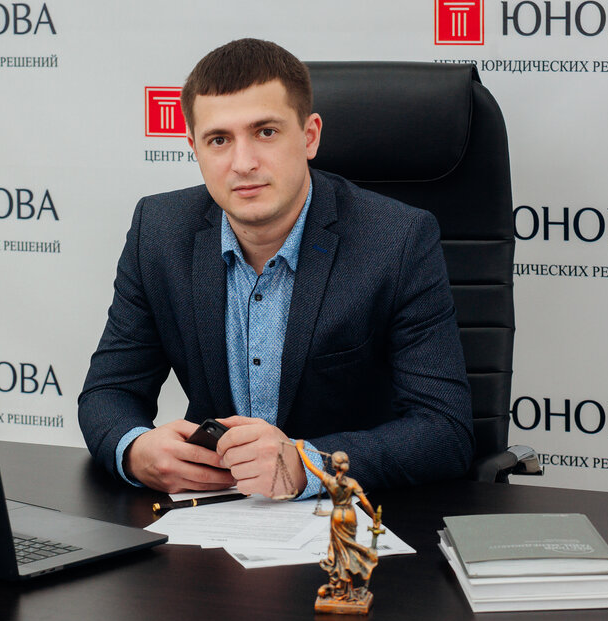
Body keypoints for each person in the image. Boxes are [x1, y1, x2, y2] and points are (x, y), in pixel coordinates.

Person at [78, 38, 472, 498]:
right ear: (194, 147)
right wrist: (135, 450)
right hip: (213, 515)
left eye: (265, 132)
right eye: (219, 140)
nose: (243, 164)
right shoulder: (159, 231)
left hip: (347, 519)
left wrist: (308, 466)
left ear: (309, 136)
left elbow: (444, 430)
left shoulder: (398, 240)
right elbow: (108, 392)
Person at [295, 441, 378, 604]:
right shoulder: (352, 483)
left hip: (338, 515)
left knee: (338, 551)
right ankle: (345, 587)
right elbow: (365, 502)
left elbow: (311, 467)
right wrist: (374, 518)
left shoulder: (330, 481)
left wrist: (300, 449)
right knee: (349, 547)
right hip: (350, 514)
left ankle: (341, 587)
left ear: (334, 466)